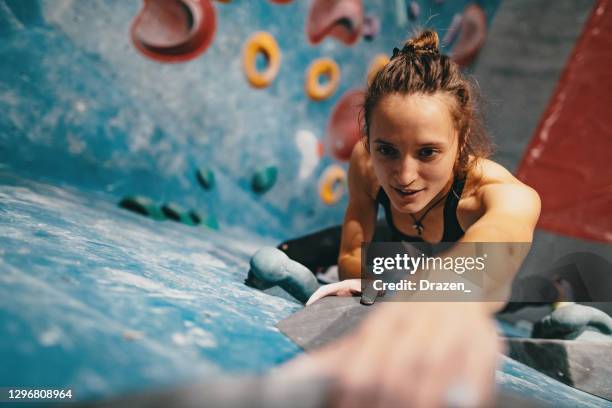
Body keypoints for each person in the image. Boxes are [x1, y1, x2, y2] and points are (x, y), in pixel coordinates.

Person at [285, 30, 542, 408]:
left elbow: (498, 245)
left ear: (462, 135)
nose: (404, 176)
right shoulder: (364, 162)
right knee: (285, 254)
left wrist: (427, 301)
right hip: (394, 245)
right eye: (386, 150)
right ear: (369, 137)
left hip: (448, 262)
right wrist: (375, 289)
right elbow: (353, 255)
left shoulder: (498, 193)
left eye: (427, 152)